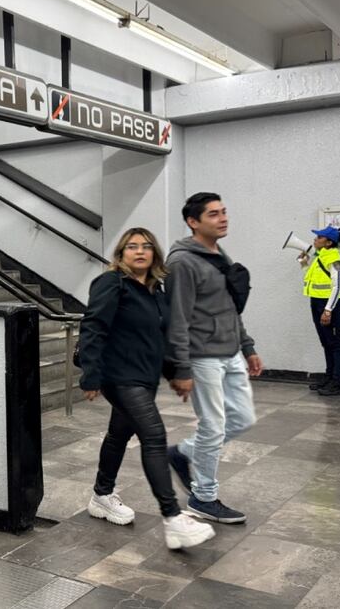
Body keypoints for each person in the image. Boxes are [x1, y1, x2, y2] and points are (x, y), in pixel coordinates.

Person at [78, 228, 215, 550]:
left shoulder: (156, 291)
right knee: (154, 437)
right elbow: (93, 327)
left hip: (144, 377)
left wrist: (174, 374)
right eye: (132, 246)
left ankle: (101, 495)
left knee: (118, 435)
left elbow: (159, 340)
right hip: (119, 376)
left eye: (146, 246)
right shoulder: (112, 283)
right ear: (121, 253)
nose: (139, 251)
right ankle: (173, 518)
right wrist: (91, 375)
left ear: (154, 254)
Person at [165, 192, 264, 525]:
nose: (223, 218)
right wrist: (181, 367)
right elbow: (177, 319)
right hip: (202, 356)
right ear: (193, 222)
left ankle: (183, 452)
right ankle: (203, 497)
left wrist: (247, 347)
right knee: (213, 425)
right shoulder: (182, 262)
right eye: (213, 214)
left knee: (243, 419)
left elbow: (230, 306)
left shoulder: (218, 253)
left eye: (224, 212)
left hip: (231, 350)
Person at [300, 225, 340, 396]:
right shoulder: (320, 256)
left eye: (319, 237)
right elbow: (313, 279)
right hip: (317, 303)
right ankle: (330, 378)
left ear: (329, 242)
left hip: (332, 306)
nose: (315, 239)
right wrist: (304, 263)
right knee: (327, 342)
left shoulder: (334, 259)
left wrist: (328, 310)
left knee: (336, 344)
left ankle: (339, 383)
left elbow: (337, 287)